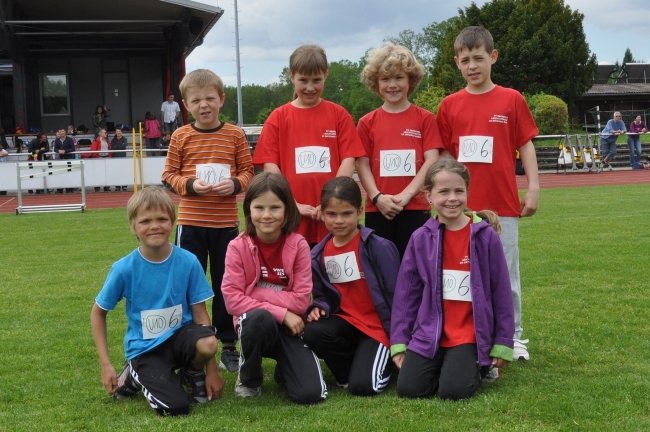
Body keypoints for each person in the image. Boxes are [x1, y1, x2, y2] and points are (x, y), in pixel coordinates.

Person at [435, 26, 538, 361]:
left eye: (478, 58)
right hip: (459, 209)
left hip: (503, 205)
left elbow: (526, 144)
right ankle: (465, 334)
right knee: (461, 273)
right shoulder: (449, 105)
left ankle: (514, 337)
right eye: (465, 60)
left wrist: (533, 187)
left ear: (492, 57)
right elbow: (444, 159)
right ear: (457, 63)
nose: (472, 65)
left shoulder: (512, 99)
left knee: (505, 276)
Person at [90, 186, 224, 416]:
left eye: (162, 219)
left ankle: (192, 372)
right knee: (177, 408)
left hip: (180, 341)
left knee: (208, 341)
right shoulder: (123, 269)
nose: (154, 226)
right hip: (146, 349)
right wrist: (105, 364)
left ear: (172, 222)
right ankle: (133, 373)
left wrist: (211, 370)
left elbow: (201, 315)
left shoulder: (189, 262)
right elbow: (98, 313)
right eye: (145, 221)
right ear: (133, 227)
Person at [391, 159, 514, 400]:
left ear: (467, 192)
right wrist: (400, 341)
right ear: (428, 196)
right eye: (443, 192)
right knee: (408, 389)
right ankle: (448, 365)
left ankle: (479, 365)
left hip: (469, 333)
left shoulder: (485, 237)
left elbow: (501, 291)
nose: (452, 198)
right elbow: (407, 294)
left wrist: (502, 341)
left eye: (459, 191)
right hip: (429, 332)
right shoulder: (420, 238)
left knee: (452, 391)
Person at [161, 69, 254, 374]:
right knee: (188, 284)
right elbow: (168, 175)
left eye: (210, 98)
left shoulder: (235, 134)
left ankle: (228, 344)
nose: (204, 105)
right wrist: (190, 186)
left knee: (227, 285)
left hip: (226, 225)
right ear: (186, 104)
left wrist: (236, 184)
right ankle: (188, 339)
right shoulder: (181, 136)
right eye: (196, 100)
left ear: (221, 99)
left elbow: (249, 173)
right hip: (190, 225)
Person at [221, 172, 327, 403]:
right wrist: (281, 312)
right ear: (249, 209)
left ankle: (285, 370)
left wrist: (252, 292)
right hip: (257, 326)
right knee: (259, 318)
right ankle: (248, 378)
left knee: (310, 394)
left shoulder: (298, 245)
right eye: (259, 207)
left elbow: (301, 301)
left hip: (292, 327)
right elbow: (232, 300)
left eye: (275, 208)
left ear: (288, 210)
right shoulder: (237, 246)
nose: (266, 215)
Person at [252, 44, 365, 247]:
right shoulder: (278, 117)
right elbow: (270, 166)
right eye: (303, 80)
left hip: (330, 217)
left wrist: (331, 203)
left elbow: (349, 160)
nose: (310, 87)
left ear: (326, 76)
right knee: (295, 273)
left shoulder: (339, 115)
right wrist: (292, 204)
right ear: (291, 76)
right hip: (292, 216)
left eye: (317, 80)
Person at [303, 176, 399, 396]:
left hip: (378, 329)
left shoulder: (380, 248)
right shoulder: (317, 254)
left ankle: (379, 364)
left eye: (346, 213)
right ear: (322, 214)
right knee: (313, 331)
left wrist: (400, 340)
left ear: (360, 211)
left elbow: (399, 297)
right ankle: (348, 371)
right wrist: (319, 306)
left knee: (365, 387)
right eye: (331, 214)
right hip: (347, 324)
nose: (339, 220)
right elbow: (324, 296)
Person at [357, 43, 443, 259]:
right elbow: (363, 164)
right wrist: (377, 197)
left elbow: (432, 159)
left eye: (399, 78)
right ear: (376, 83)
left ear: (410, 80)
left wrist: (406, 196)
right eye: (385, 79)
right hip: (379, 210)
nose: (392, 85)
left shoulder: (425, 118)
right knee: (383, 273)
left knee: (417, 270)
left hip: (416, 207)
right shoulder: (367, 122)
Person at [53, 127, 76, 193]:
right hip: (61, 159)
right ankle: (60, 190)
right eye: (60, 132)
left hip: (69, 158)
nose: (61, 133)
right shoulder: (57, 140)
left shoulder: (69, 139)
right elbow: (55, 149)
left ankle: (69, 189)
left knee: (69, 174)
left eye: (62, 131)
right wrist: (59, 150)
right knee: (61, 174)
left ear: (65, 132)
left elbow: (73, 148)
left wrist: (65, 151)